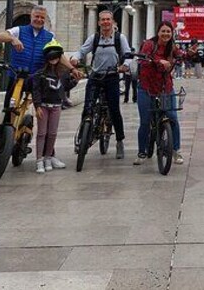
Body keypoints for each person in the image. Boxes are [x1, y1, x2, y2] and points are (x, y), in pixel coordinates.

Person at [70, 10, 132, 159]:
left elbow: (128, 54)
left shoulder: (119, 38)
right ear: (99, 22)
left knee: (114, 110)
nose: (105, 22)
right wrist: (75, 58)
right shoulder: (94, 38)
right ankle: (82, 138)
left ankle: (119, 141)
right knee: (88, 107)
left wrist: (125, 65)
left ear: (112, 22)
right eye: (102, 20)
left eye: (108, 19)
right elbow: (82, 51)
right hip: (96, 76)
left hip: (112, 76)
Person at [134, 21, 185, 165]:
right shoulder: (150, 44)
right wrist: (159, 61)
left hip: (165, 87)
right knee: (145, 121)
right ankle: (142, 151)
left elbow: (180, 54)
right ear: (158, 32)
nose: (166, 34)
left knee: (172, 118)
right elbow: (143, 58)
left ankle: (176, 150)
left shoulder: (171, 46)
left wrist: (188, 54)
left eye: (168, 31)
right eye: (163, 31)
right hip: (147, 87)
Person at [32, 40, 82, 173]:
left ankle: (48, 157)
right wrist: (37, 106)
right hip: (43, 105)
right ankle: (39, 160)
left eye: (56, 56)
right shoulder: (40, 73)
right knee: (42, 133)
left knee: (52, 133)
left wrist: (76, 81)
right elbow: (36, 91)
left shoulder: (63, 73)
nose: (53, 59)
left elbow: (65, 87)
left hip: (56, 106)